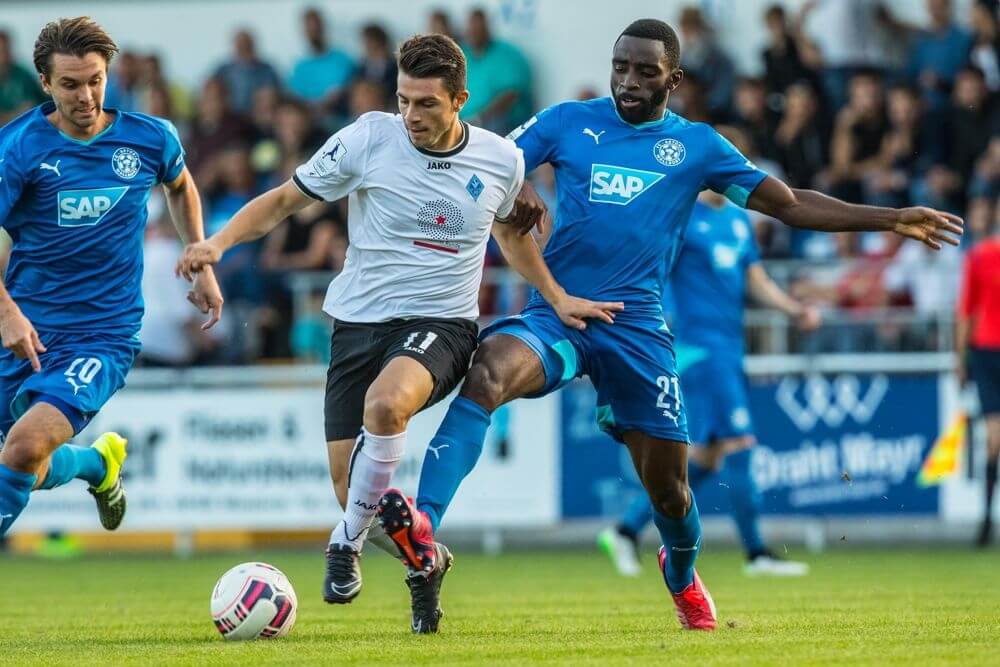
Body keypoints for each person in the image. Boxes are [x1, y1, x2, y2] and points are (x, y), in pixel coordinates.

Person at [375, 18, 963, 634]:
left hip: (639, 335)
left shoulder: (699, 147)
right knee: (489, 373)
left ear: (673, 80)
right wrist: (514, 184)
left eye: (646, 72)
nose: (629, 81)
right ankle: (425, 531)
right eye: (621, 66)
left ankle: (680, 574)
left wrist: (889, 217)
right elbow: (488, 161)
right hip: (561, 312)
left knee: (672, 496)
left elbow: (787, 203)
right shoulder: (566, 122)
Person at [174, 33, 616, 610]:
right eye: (403, 99)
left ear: (460, 99)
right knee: (352, 490)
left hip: (442, 324)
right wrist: (218, 244)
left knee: (386, 407)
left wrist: (556, 297)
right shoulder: (368, 138)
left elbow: (512, 233)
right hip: (357, 326)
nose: (411, 114)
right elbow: (284, 201)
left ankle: (343, 546)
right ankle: (426, 560)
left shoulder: (500, 159)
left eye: (426, 103)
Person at [0, 17, 222, 538]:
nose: (86, 95)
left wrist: (201, 257)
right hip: (25, 329)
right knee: (21, 461)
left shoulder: (149, 138)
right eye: (71, 85)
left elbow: (181, 185)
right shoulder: (18, 149)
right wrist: (7, 312)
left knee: (27, 446)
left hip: (104, 334)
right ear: (45, 83)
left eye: (95, 80)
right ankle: (98, 465)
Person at [598, 188, 819, 578]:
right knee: (740, 443)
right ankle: (757, 555)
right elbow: (649, 263)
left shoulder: (737, 221)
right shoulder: (683, 216)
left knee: (706, 457)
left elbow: (757, 280)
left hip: (730, 350)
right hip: (701, 351)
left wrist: (794, 310)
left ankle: (625, 530)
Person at [957, 212, 1000, 547]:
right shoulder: (980, 256)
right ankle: (986, 519)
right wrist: (960, 359)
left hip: (985, 350)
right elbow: (966, 311)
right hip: (987, 353)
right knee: (993, 440)